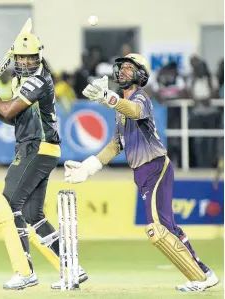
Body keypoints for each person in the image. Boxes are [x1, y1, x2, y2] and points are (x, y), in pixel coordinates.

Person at [64, 53, 219, 292]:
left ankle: (200, 276)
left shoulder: (140, 97)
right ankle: (203, 273)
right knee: (167, 227)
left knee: (156, 229)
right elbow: (116, 144)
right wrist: (89, 167)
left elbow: (135, 111)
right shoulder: (120, 109)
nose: (124, 71)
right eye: (122, 67)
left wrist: (109, 98)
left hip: (155, 166)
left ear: (140, 74)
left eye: (130, 67)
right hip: (143, 170)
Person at [0, 33, 87, 290]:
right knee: (34, 214)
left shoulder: (38, 79)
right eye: (21, 56)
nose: (25, 61)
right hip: (39, 148)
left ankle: (25, 272)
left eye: (30, 56)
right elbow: (13, 118)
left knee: (9, 205)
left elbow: (9, 109)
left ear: (38, 57)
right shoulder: (22, 82)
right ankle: (72, 268)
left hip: (36, 148)